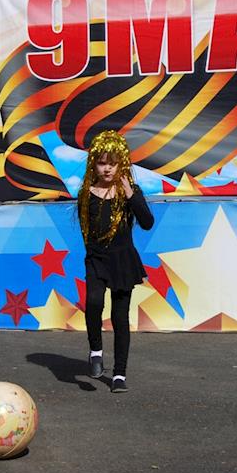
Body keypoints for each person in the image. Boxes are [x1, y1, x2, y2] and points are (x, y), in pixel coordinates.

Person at [77, 130, 154, 392]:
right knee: (94, 302)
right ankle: (96, 350)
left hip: (123, 260)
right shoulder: (87, 193)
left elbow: (147, 222)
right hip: (97, 258)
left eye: (112, 163)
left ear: (121, 164)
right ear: (94, 164)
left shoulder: (130, 192)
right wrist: (93, 256)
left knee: (120, 317)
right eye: (102, 163)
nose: (107, 168)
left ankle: (119, 374)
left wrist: (131, 194)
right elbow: (86, 229)